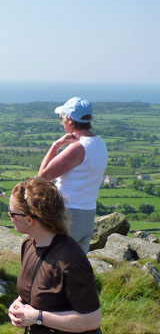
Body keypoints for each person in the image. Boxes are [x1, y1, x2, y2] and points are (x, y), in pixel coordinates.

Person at [8, 177, 108, 334]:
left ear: (31, 219)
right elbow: (33, 293)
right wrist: (17, 306)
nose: (9, 216)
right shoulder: (29, 246)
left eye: (12, 212)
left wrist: (38, 317)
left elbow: (91, 319)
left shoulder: (71, 260)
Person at [38, 97, 108, 254]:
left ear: (69, 120)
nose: (62, 122)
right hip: (89, 213)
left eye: (61, 118)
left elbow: (42, 176)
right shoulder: (100, 144)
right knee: (76, 267)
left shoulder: (78, 148)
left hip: (68, 213)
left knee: (55, 263)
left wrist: (55, 145)